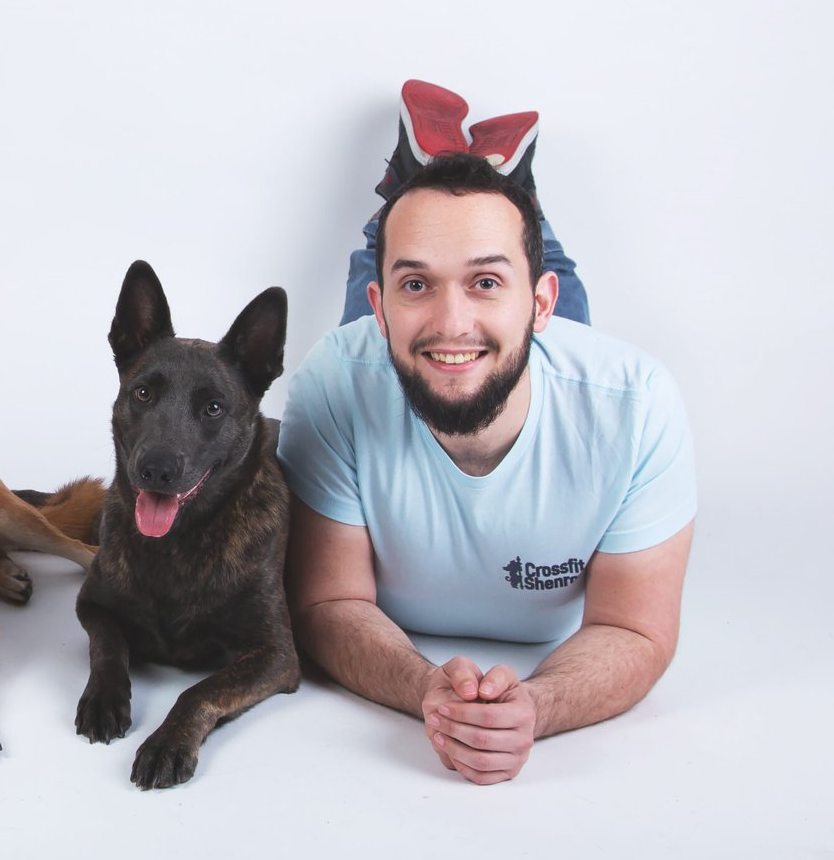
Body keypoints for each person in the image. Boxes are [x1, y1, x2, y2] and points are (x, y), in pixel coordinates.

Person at [279, 80, 696, 785]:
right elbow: (326, 602)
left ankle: (462, 179)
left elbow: (635, 628)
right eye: (413, 290)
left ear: (541, 308)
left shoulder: (634, 407)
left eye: (487, 286)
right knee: (404, 291)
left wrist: (538, 703)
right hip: (378, 357)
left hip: (547, 355)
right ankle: (457, 190)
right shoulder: (334, 379)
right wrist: (427, 692)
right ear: (383, 312)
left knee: (476, 294)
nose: (451, 318)